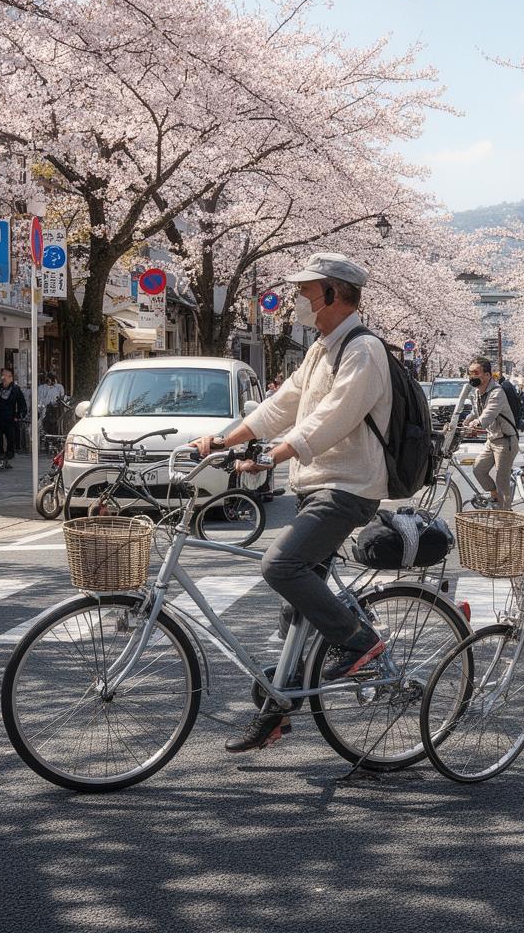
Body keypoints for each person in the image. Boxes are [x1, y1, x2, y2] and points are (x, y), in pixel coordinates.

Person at [188, 252, 391, 753]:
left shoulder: (363, 350)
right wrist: (225, 440)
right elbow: (281, 406)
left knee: (280, 566)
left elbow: (334, 419)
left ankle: (361, 640)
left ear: (332, 294)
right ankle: (278, 710)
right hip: (317, 483)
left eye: (306, 292)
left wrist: (274, 456)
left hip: (348, 487)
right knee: (294, 613)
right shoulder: (322, 349)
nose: (299, 300)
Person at [466, 357, 519, 508]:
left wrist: (476, 423)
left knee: (502, 481)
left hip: (505, 441)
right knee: (478, 469)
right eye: (470, 373)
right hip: (492, 440)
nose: (472, 376)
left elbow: (487, 415)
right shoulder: (477, 393)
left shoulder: (497, 392)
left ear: (488, 375)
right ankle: (495, 497)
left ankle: (505, 517)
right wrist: (458, 423)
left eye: (476, 373)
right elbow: (475, 412)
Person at [0, 366, 27, 471]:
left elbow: (22, 404)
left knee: (11, 442)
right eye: (2, 375)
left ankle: (6, 458)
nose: (3, 377)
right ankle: (0, 460)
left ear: (11, 377)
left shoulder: (16, 390)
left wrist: (18, 415)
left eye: (5, 375)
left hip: (10, 420)